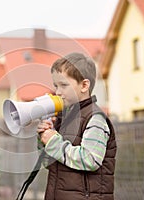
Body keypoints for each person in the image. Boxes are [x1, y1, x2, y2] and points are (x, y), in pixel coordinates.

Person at [37, 52, 117, 200]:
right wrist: (43, 140)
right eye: (56, 85)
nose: (58, 92)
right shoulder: (64, 119)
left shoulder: (95, 118)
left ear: (84, 85)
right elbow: (51, 164)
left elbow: (90, 159)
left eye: (64, 85)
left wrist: (54, 143)